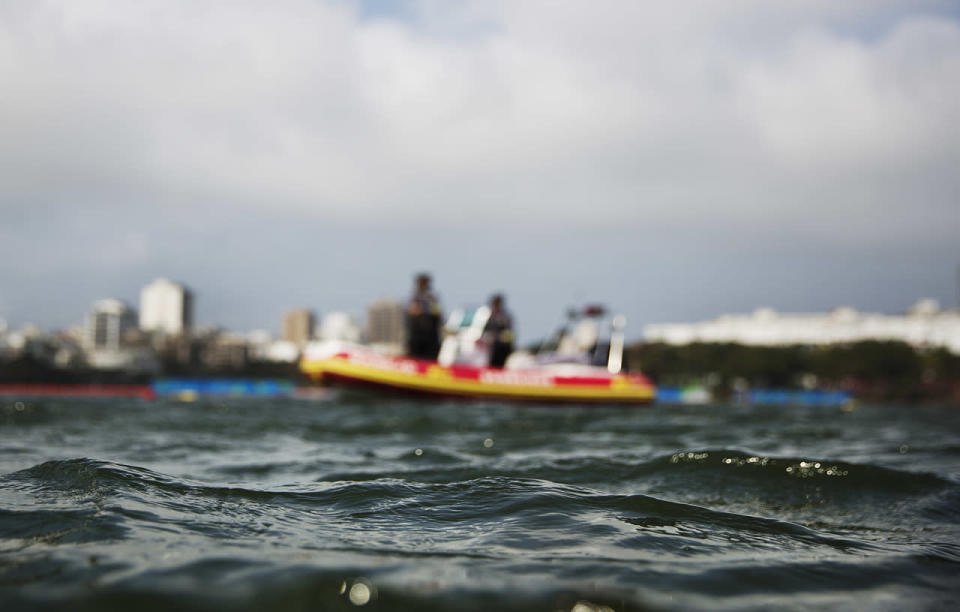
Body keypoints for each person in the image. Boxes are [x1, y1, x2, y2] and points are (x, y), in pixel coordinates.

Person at [405, 272, 442, 361]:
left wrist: (422, 310)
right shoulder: (414, 298)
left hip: (430, 339)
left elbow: (437, 315)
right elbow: (411, 313)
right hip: (416, 338)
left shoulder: (432, 299)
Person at [482, 293, 514, 368]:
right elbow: (486, 330)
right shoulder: (490, 316)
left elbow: (509, 332)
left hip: (503, 347)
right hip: (491, 347)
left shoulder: (505, 317)